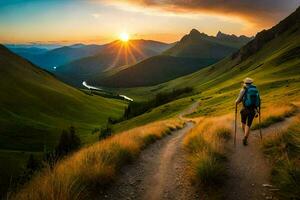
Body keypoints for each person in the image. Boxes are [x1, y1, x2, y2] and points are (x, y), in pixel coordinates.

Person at [235, 77, 261, 145]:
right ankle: (245, 137)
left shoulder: (243, 89)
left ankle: (244, 134)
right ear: (251, 83)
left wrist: (236, 102)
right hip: (252, 109)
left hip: (245, 109)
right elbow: (258, 99)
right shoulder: (255, 89)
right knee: (248, 124)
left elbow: (238, 100)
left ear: (245, 83)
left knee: (243, 123)